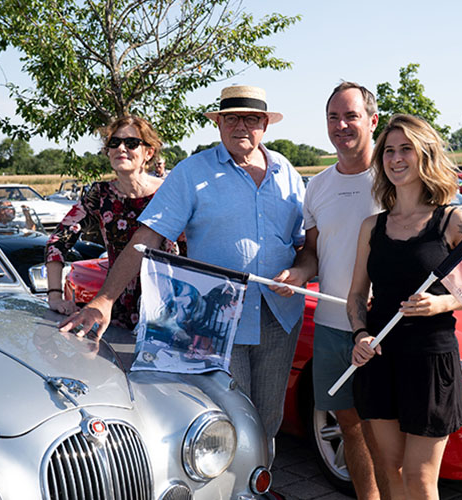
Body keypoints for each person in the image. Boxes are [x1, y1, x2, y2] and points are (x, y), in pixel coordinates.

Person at [57, 85, 306, 460]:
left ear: (264, 125)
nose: (241, 126)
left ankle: (261, 480)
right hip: (218, 321)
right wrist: (104, 300)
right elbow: (147, 237)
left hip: (279, 315)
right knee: (229, 419)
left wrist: (302, 270)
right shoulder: (193, 172)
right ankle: (230, 485)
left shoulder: (286, 172)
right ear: (219, 123)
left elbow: (305, 243)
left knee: (269, 419)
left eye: (251, 118)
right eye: (232, 118)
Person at [348, 114, 462, 499]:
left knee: (419, 478)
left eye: (406, 149)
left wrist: (442, 303)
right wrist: (360, 334)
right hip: (380, 359)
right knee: (392, 470)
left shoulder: (453, 221)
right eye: (388, 151)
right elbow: (357, 296)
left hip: (430, 361)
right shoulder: (371, 226)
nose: (396, 158)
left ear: (426, 155)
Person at [272, 82, 383, 499]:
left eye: (351, 116)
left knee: (388, 431)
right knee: (350, 426)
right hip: (332, 326)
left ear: (372, 120)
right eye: (333, 117)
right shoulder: (317, 186)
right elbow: (314, 253)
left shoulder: (394, 177)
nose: (341, 125)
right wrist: (299, 273)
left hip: (384, 327)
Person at [44, 115, 181, 330]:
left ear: (149, 152)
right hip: (115, 310)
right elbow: (58, 241)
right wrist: (54, 296)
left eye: (131, 143)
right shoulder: (100, 195)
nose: (121, 148)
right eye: (114, 143)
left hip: (169, 310)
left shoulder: (170, 192)